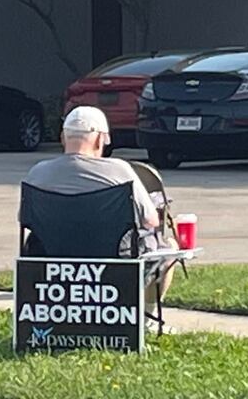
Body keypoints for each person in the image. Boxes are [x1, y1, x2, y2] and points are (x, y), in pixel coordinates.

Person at [22, 106, 179, 311]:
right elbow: (151, 220)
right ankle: (146, 318)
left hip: (52, 265)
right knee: (169, 247)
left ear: (62, 137)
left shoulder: (38, 173)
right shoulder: (119, 170)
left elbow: (25, 219)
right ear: (99, 140)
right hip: (114, 265)